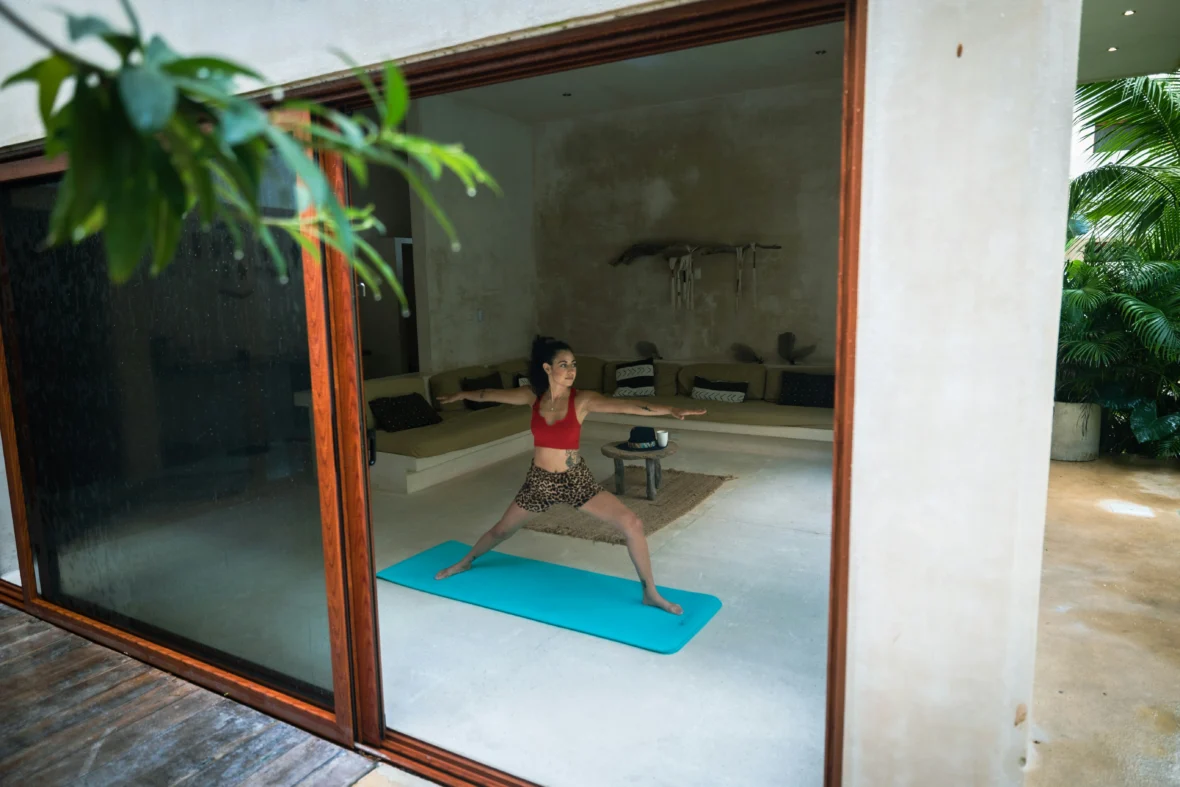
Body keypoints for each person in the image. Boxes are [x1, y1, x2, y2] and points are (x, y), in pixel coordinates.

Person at [434, 336, 706, 614]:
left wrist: (671, 410)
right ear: (547, 368)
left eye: (573, 364)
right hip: (539, 481)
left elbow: (631, 406)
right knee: (502, 530)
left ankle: (650, 592)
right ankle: (466, 561)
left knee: (632, 523)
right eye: (563, 364)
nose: (571, 370)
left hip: (575, 480)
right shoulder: (532, 396)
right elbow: (487, 394)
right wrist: (461, 395)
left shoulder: (582, 400)